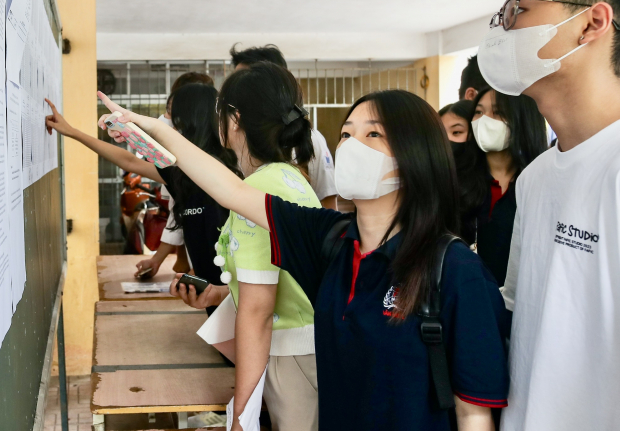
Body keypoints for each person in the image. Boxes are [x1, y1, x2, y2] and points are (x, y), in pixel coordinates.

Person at [93, 88, 509, 431]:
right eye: (346, 134)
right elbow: (229, 190)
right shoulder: (329, 239)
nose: (350, 147)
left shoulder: (454, 272)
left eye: (373, 136)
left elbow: (474, 414)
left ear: (415, 153)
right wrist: (154, 129)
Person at [93, 62, 322, 431]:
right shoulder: (288, 178)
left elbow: (258, 313)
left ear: (233, 121)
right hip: (306, 350)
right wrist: (219, 294)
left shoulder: (258, 190)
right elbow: (284, 282)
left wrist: (241, 416)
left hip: (289, 357)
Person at [477, 0, 620, 431]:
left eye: (521, 7)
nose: (502, 28)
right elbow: (520, 310)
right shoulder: (537, 177)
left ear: (592, 24)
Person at [44, 84, 238, 315]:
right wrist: (73, 132)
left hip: (236, 298)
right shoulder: (180, 173)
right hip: (212, 303)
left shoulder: (224, 171)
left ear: (189, 118)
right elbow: (130, 162)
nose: (166, 120)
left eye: (170, 114)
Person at [230, 44, 338, 210]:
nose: (234, 90)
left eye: (243, 80)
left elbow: (327, 201)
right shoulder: (235, 134)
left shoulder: (309, 137)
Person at [456, 87, 547, 285]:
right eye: (478, 112)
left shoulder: (540, 180)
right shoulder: (455, 176)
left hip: (521, 297)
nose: (484, 120)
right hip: (467, 292)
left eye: (497, 113)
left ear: (522, 120)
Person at [149, 72, 216, 277]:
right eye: (168, 111)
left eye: (173, 112)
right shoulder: (176, 164)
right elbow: (179, 210)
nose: (167, 120)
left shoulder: (213, 164)